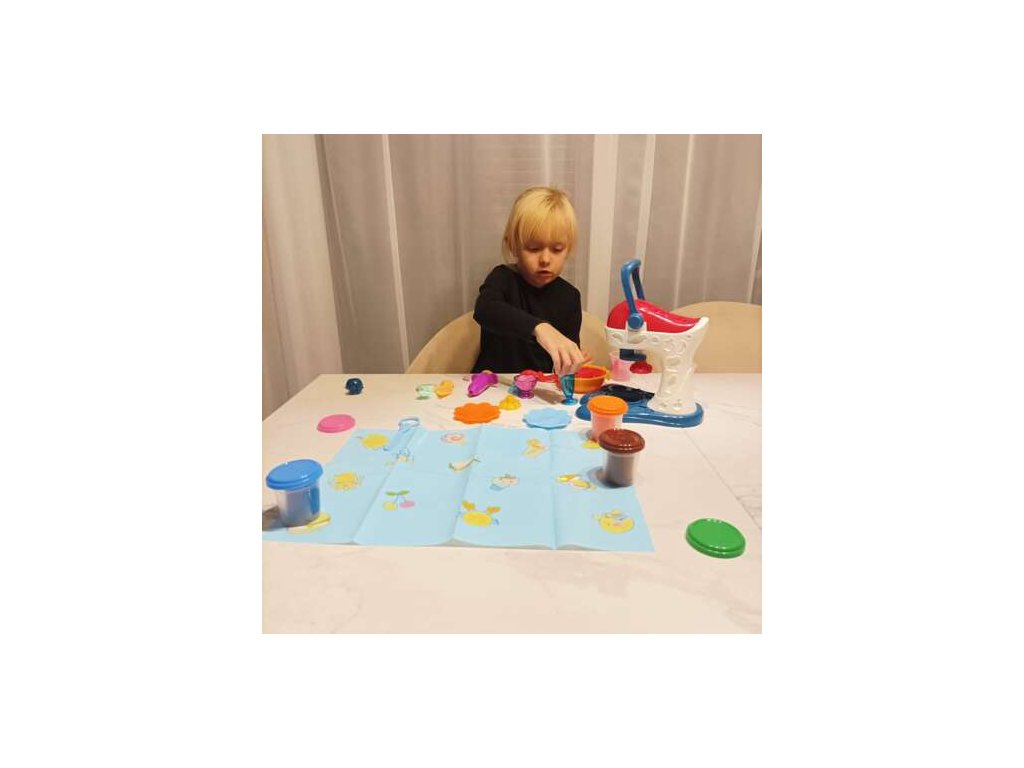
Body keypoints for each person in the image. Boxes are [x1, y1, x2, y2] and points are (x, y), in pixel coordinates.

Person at [471, 186, 587, 376]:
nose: (545, 259)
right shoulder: (502, 278)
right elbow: (485, 309)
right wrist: (540, 328)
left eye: (557, 249)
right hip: (494, 384)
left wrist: (572, 361)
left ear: (569, 249)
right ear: (513, 246)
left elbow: (565, 362)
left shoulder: (570, 297)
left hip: (539, 388)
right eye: (533, 248)